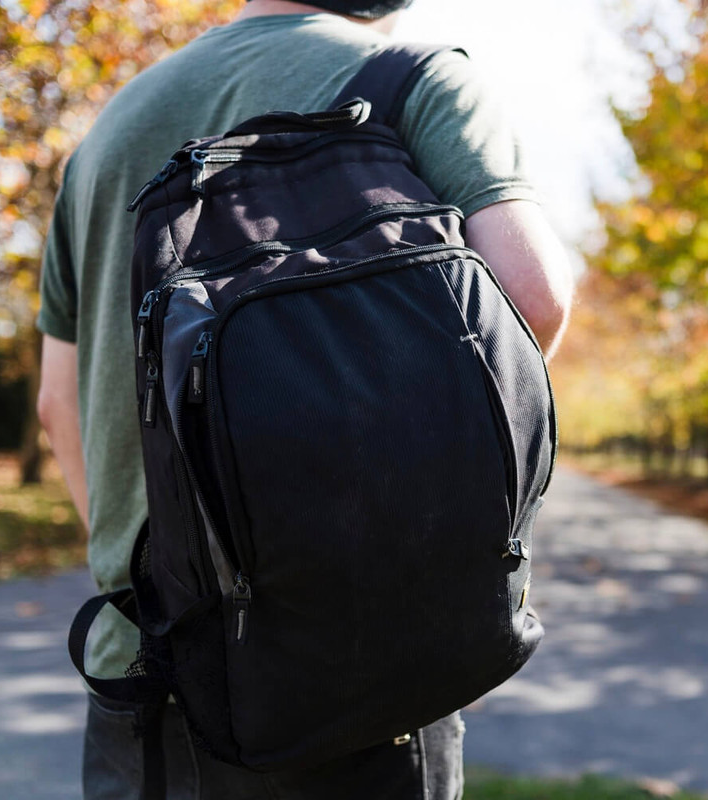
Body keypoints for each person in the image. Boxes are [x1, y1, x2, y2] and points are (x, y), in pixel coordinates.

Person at [36, 0, 573, 797]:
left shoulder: (106, 135)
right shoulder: (417, 83)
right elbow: (531, 298)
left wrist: (174, 569)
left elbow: (57, 404)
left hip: (143, 672)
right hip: (354, 676)